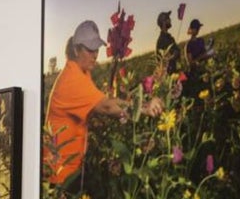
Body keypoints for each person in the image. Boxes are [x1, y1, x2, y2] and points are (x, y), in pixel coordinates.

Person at [43, 20, 161, 186]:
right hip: (60, 176)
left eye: (96, 49)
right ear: (77, 50)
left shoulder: (81, 72)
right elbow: (106, 107)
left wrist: (137, 103)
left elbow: (103, 102)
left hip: (70, 168)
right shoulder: (73, 79)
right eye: (90, 49)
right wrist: (145, 108)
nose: (95, 54)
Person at [155, 10, 179, 75]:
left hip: (174, 73)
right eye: (168, 18)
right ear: (164, 22)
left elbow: (177, 53)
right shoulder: (161, 40)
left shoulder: (170, 38)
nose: (170, 20)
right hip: (169, 77)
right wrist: (173, 55)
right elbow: (161, 61)